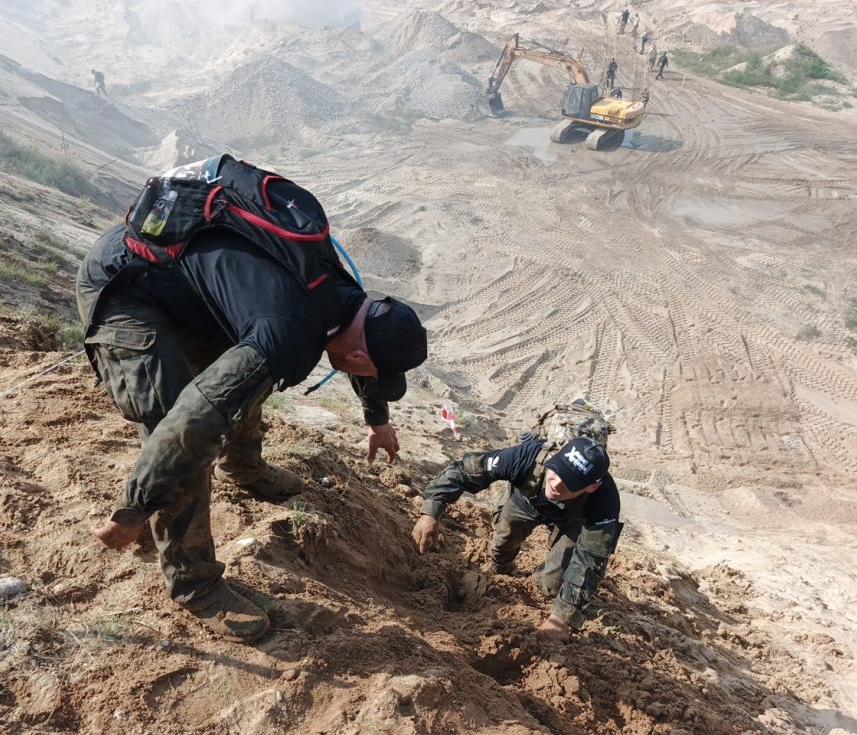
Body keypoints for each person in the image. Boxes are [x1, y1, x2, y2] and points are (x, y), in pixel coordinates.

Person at [76, 159, 428, 642]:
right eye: (373, 374)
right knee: (180, 418)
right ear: (364, 353)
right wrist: (131, 509)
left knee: (244, 377)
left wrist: (376, 418)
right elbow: (189, 424)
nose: (368, 376)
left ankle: (243, 467)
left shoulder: (344, 291)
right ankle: (194, 585)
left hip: (192, 287)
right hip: (127, 286)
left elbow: (360, 350)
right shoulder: (289, 330)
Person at [412, 436, 622, 643]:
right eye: (557, 470)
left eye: (570, 483)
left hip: (573, 522)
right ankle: (500, 564)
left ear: (591, 487)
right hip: (526, 502)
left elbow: (590, 561)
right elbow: (465, 471)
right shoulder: (525, 457)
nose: (556, 483)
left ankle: (544, 580)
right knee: (503, 542)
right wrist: (430, 511)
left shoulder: (605, 502)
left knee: (552, 584)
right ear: (555, 456)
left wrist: (561, 617)